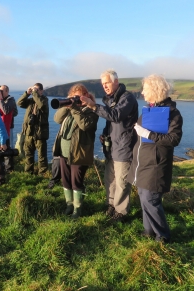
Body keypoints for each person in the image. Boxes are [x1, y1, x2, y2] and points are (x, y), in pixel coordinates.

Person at [128, 74, 183, 243]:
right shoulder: (149, 110)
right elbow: (138, 133)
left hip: (156, 164)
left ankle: (163, 236)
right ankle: (149, 230)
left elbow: (174, 140)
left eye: (145, 89)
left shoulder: (173, 114)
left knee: (151, 199)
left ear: (154, 90)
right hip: (142, 162)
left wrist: (149, 134)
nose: (142, 93)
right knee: (144, 196)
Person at [81, 69, 138, 223]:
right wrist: (105, 133)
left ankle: (121, 212)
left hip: (124, 146)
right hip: (111, 146)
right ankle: (111, 205)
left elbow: (116, 116)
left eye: (107, 82)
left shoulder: (127, 98)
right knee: (110, 179)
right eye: (103, 84)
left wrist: (94, 106)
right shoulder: (111, 99)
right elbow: (110, 121)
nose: (104, 86)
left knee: (122, 181)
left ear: (116, 82)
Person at [53, 84, 99, 218]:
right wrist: (66, 105)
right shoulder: (70, 109)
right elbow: (57, 119)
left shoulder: (91, 110)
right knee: (66, 180)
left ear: (86, 95)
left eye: (78, 96)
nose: (75, 99)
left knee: (76, 182)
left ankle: (77, 209)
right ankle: (69, 205)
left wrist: (74, 108)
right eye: (73, 96)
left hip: (79, 152)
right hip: (64, 150)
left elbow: (85, 125)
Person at [17, 83, 49, 175]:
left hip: (40, 133)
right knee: (28, 155)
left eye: (37, 89)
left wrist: (34, 93)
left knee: (42, 156)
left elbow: (41, 105)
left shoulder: (44, 100)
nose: (35, 91)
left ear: (41, 91)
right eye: (34, 89)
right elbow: (19, 103)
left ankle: (43, 174)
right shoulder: (30, 101)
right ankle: (28, 172)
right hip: (29, 132)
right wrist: (27, 93)